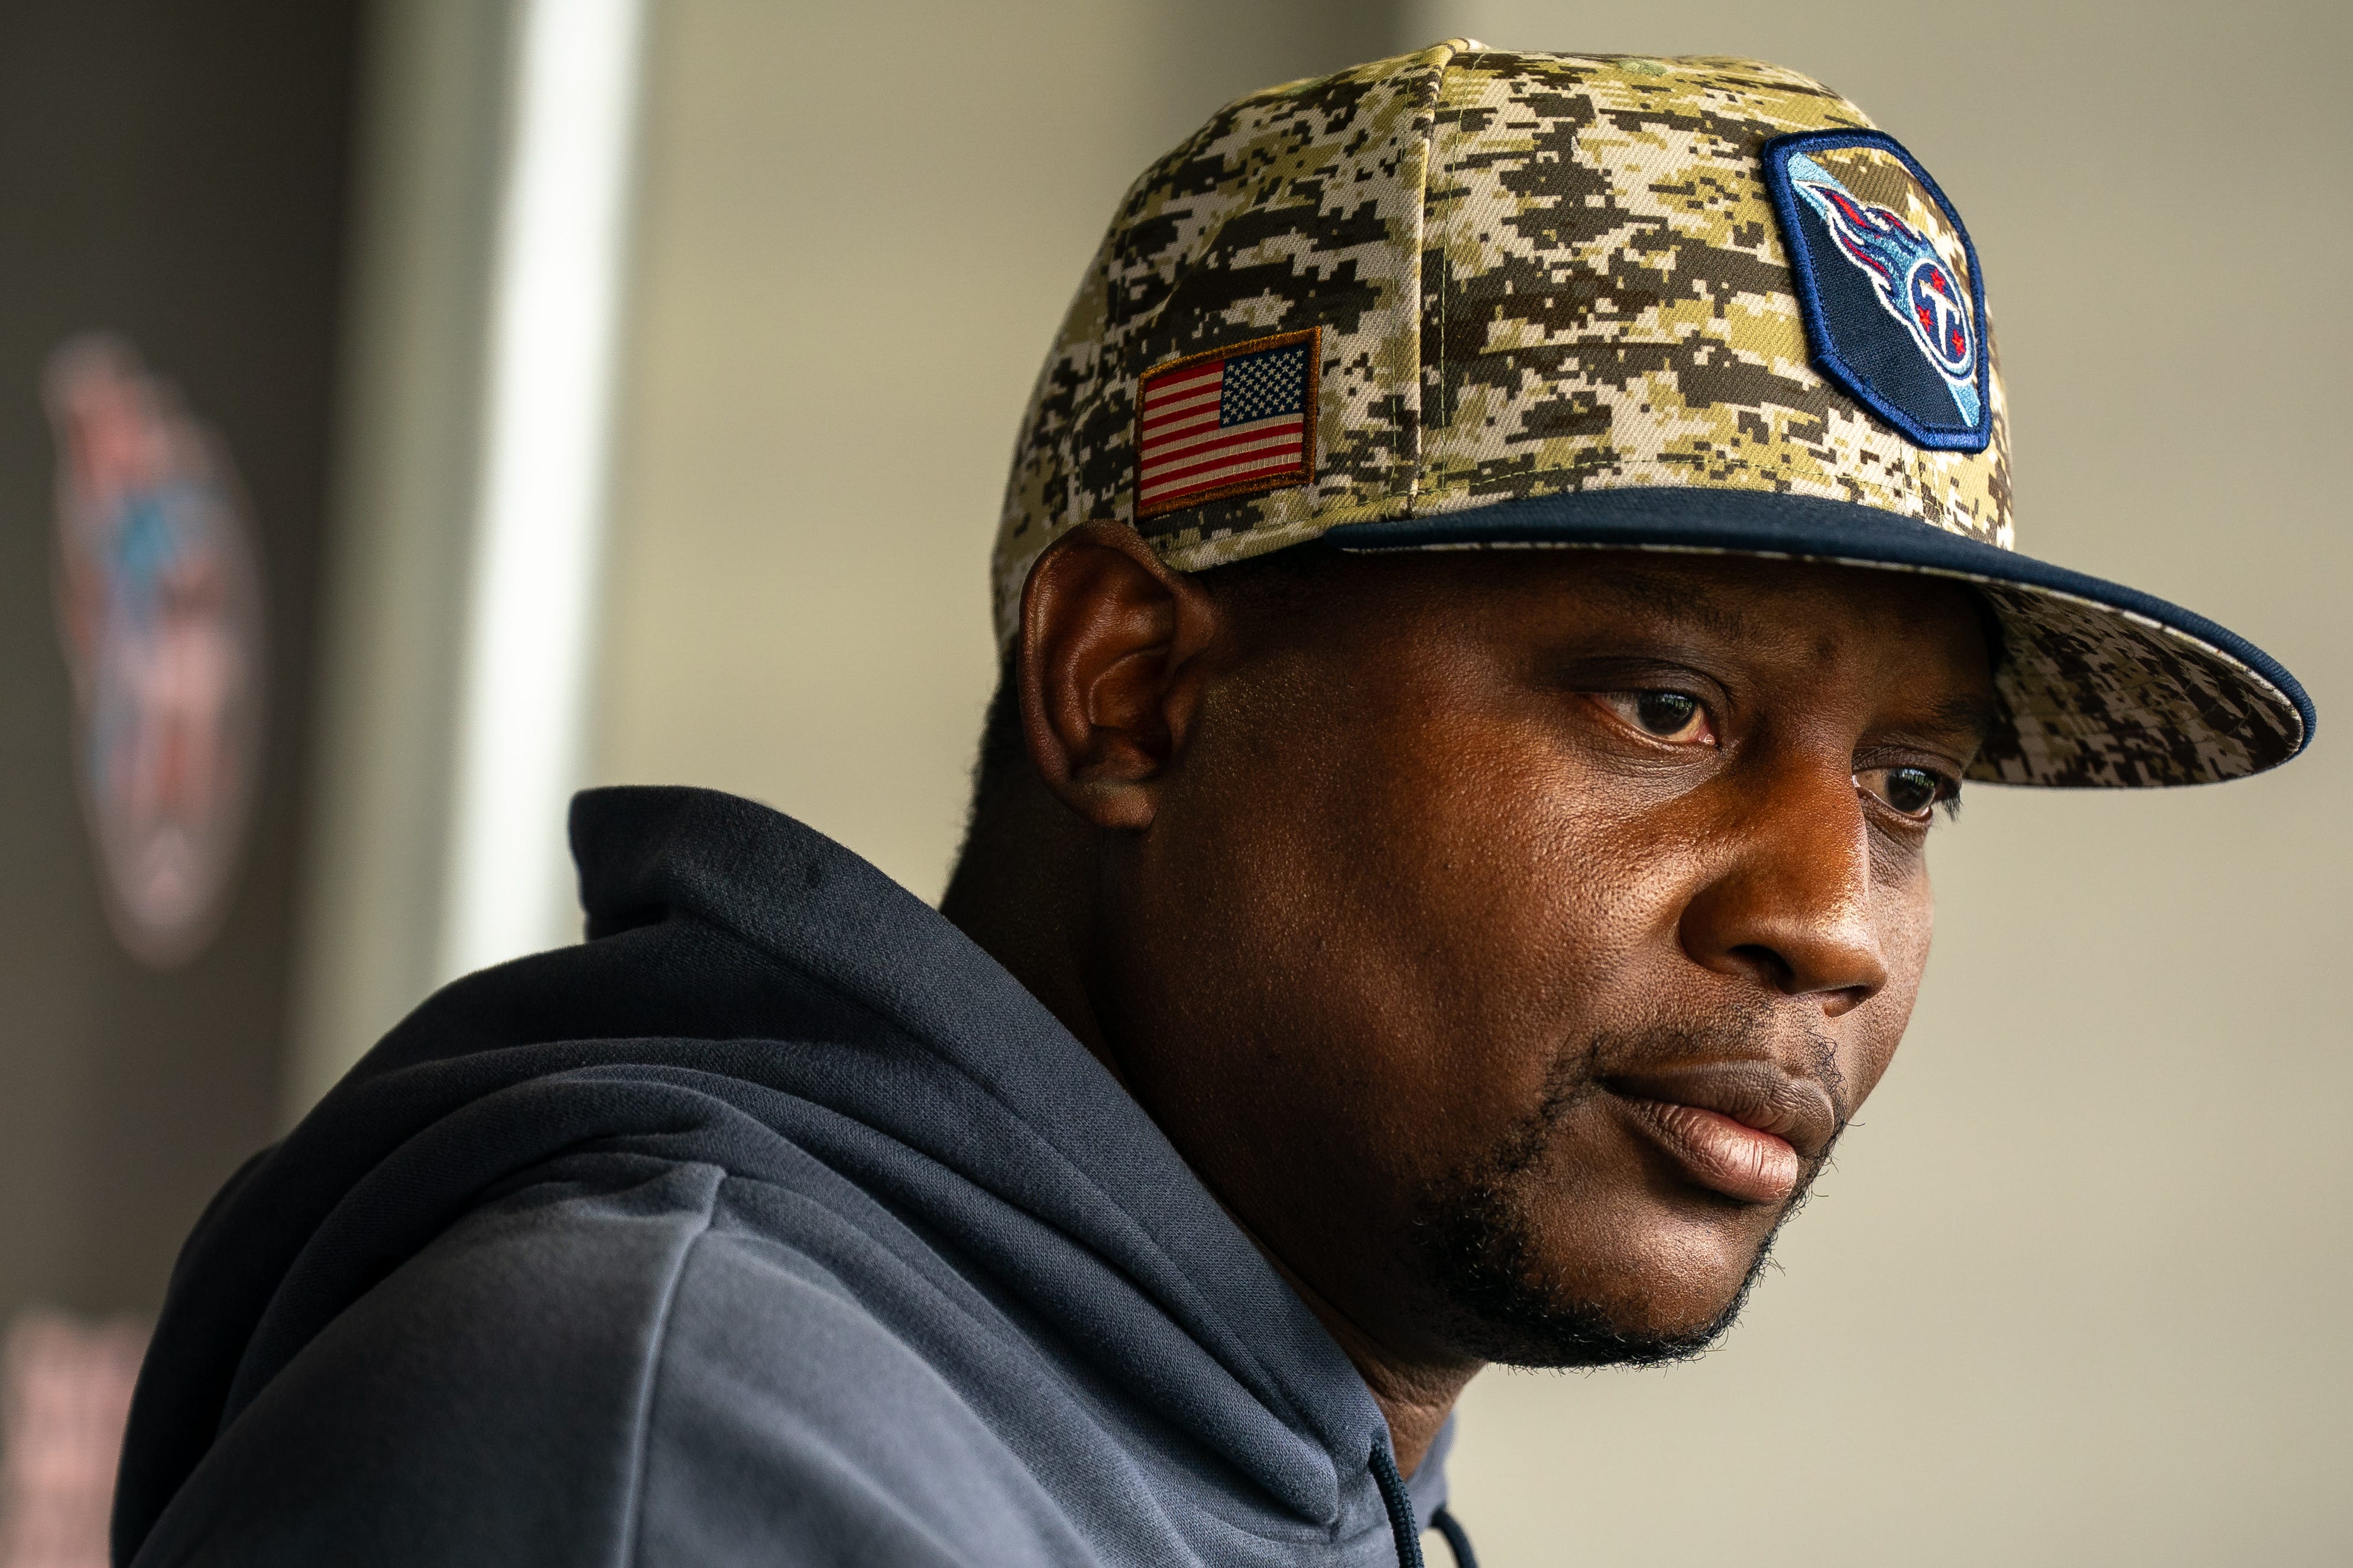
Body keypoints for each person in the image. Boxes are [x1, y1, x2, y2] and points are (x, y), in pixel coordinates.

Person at [111, 42, 2311, 1568]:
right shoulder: (681, 1440)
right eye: (1660, 706)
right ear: (1134, 688)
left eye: (1910, 786)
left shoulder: (1229, 1435)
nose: (1827, 915)